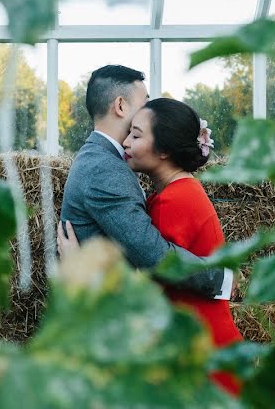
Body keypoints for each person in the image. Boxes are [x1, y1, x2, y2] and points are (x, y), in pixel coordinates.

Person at [63, 95, 244, 395]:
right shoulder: (180, 191)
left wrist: (80, 263)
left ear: (164, 150)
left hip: (199, 351)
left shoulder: (174, 201)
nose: (125, 144)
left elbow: (152, 276)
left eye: (136, 135)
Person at [57, 65, 232, 300]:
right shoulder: (104, 169)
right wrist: (224, 279)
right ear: (120, 106)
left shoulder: (102, 159)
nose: (150, 110)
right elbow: (152, 254)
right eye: (145, 102)